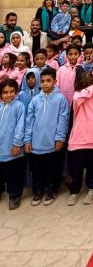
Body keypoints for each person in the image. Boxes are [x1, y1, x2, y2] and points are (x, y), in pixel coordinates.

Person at [24, 68, 69, 206]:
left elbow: (63, 119)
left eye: (48, 81)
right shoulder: (35, 100)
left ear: (55, 81)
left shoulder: (60, 99)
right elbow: (29, 121)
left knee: (53, 169)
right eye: (42, 81)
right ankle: (38, 191)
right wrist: (27, 139)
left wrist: (60, 138)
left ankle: (52, 190)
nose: (45, 84)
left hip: (52, 143)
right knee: (37, 170)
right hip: (36, 143)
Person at [67, 71, 93, 206]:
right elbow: (78, 101)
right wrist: (92, 88)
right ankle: (74, 190)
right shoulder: (77, 95)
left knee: (92, 166)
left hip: (92, 135)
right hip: (78, 135)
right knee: (76, 167)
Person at [0, 79, 25, 210]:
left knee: (12, 173)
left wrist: (16, 144)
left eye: (11, 92)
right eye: (5, 92)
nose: (9, 95)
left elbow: (20, 126)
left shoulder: (19, 106)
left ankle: (14, 195)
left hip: (12, 147)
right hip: (0, 147)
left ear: (16, 92)